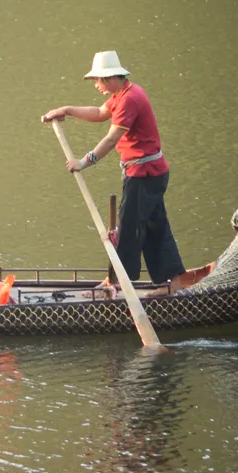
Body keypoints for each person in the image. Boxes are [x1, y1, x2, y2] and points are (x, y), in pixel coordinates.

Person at [40, 51, 187, 295]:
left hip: (143, 174)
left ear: (108, 78)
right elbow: (99, 114)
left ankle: (117, 284)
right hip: (148, 174)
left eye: (97, 80)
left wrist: (83, 162)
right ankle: (174, 282)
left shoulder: (130, 99)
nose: (96, 85)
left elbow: (110, 140)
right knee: (155, 225)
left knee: (129, 229)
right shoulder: (122, 94)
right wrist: (66, 110)